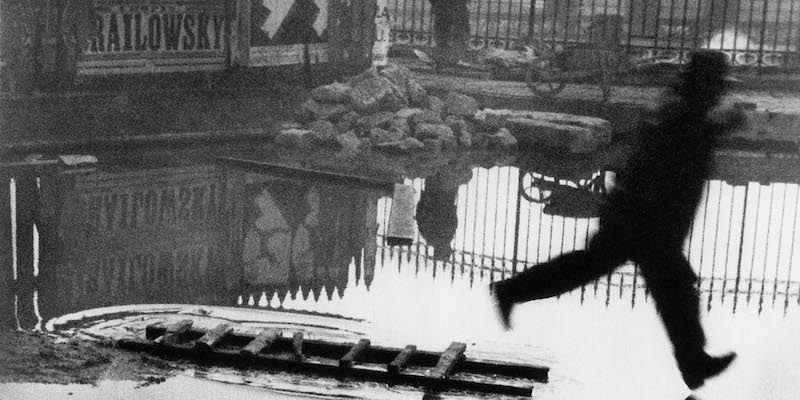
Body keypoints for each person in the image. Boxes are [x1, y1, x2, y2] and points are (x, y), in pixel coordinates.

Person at [490, 50, 742, 390]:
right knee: (666, 286)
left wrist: (717, 126)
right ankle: (693, 363)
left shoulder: (682, 108)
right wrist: (721, 125)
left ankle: (694, 363)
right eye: (717, 86)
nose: (719, 93)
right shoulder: (683, 114)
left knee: (649, 281)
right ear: (706, 86)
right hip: (644, 220)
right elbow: (683, 145)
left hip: (645, 218)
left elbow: (682, 143)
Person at [428, 0, 471, 64]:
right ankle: (450, 58)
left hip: (446, 7)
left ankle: (443, 58)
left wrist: (434, 4)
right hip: (455, 8)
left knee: (443, 33)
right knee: (454, 32)